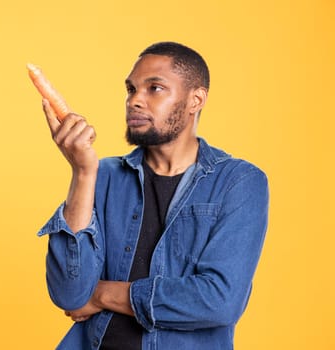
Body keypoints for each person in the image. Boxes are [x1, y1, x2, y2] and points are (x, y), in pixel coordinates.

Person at [37, 41, 269, 350]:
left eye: (154, 88)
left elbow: (219, 300)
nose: (135, 101)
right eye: (131, 90)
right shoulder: (103, 176)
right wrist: (83, 173)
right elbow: (69, 294)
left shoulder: (237, 181)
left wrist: (103, 294)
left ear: (195, 100)